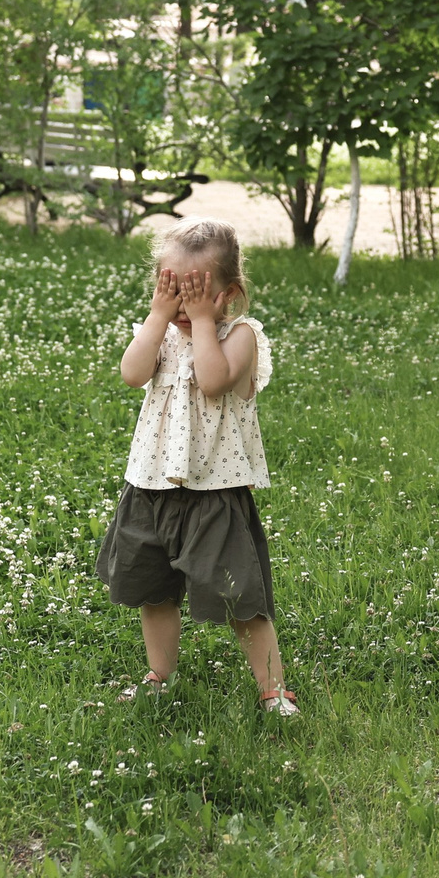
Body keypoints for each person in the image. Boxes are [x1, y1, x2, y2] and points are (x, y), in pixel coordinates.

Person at [98, 218, 295, 714]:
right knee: (153, 592)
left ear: (228, 293)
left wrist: (204, 323)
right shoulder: (160, 334)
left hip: (216, 490)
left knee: (241, 596)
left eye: (195, 293)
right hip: (151, 485)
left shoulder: (241, 336)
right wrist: (156, 317)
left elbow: (213, 381)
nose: (184, 305)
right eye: (171, 288)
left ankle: (272, 690)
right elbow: (130, 373)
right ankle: (159, 675)